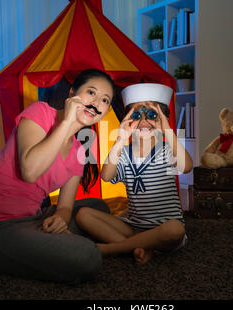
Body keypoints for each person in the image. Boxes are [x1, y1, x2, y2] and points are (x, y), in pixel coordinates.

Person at [0, 69, 115, 283]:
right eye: (91, 92)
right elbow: (30, 171)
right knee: (87, 257)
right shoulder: (40, 112)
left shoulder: (80, 151)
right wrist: (67, 123)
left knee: (98, 207)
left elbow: (65, 207)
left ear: (105, 111)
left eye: (105, 100)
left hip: (32, 219)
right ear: (72, 93)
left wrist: (59, 220)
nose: (96, 102)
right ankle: (66, 246)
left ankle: (45, 240)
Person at [75, 83, 193, 264]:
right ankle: (141, 247)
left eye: (152, 115)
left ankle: (111, 248)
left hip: (165, 228)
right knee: (83, 214)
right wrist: (121, 138)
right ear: (128, 120)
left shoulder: (167, 150)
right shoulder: (124, 153)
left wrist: (167, 129)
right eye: (137, 116)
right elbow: (106, 176)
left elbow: (186, 167)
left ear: (162, 120)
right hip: (135, 227)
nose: (145, 121)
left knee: (175, 230)